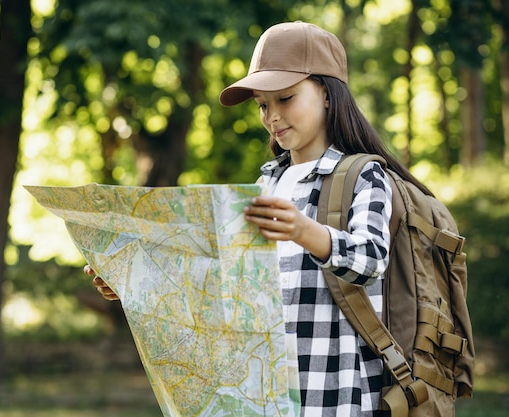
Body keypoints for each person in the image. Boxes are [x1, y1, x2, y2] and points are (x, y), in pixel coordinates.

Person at [86, 21, 433, 416]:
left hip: (335, 393)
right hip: (264, 396)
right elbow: (229, 284)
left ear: (327, 94)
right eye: (263, 105)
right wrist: (136, 280)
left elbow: (370, 261)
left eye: (285, 98)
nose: (272, 116)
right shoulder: (266, 183)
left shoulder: (362, 174)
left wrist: (305, 231)